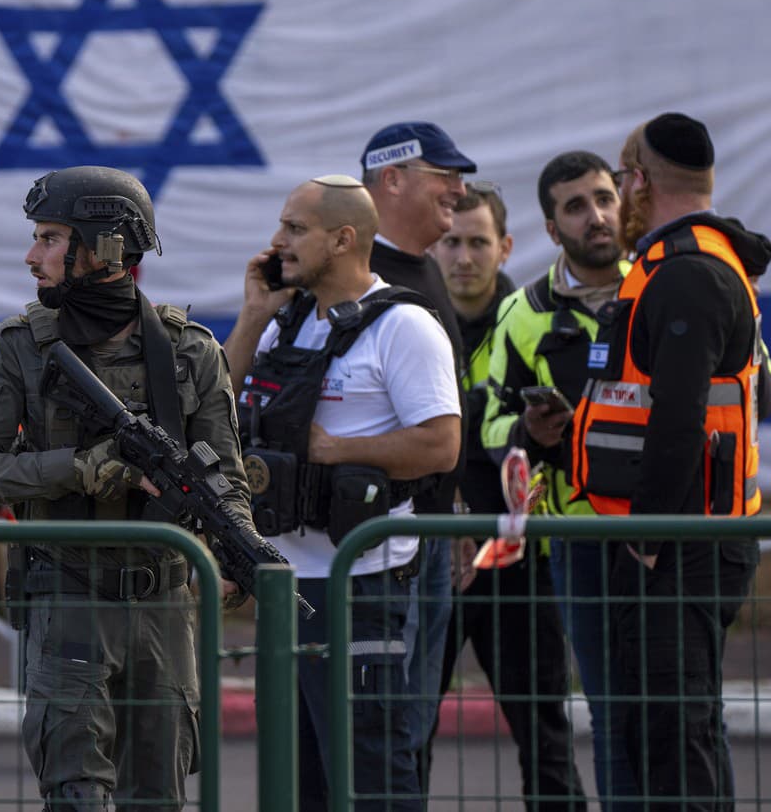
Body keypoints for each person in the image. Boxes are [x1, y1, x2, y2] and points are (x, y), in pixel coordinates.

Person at [0, 165, 253, 812]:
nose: (33, 256)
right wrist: (80, 468)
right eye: (38, 238)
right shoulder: (23, 347)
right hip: (67, 593)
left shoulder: (190, 351)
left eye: (51, 238)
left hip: (164, 602)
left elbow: (227, 479)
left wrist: (234, 555)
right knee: (77, 794)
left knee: (159, 797)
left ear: (105, 246)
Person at [225, 174, 460, 812]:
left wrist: (337, 449)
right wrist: (252, 315)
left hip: (366, 584)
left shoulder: (405, 326)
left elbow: (441, 446)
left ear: (344, 238)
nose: (277, 242)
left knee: (369, 773)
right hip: (286, 584)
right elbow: (212, 409)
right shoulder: (284, 321)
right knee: (301, 779)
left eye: (295, 228)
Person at [569, 114, 771, 810]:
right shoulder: (687, 264)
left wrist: (648, 535)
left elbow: (681, 417)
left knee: (673, 735)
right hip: (683, 536)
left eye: (623, 179)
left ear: (639, 181)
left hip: (682, 544)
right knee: (668, 730)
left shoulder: (688, 273)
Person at [482, 151, 637, 806]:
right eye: (576, 205)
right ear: (552, 228)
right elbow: (491, 424)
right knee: (611, 715)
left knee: (688, 710)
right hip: (582, 543)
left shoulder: (666, 285)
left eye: (604, 198)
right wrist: (527, 436)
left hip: (683, 529)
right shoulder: (522, 312)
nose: (597, 216)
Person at [432, 185, 588, 809]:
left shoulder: (532, 322)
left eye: (478, 242)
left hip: (524, 561)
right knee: (407, 729)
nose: (464, 256)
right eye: (451, 241)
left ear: (506, 247)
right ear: (434, 245)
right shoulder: (408, 318)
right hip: (435, 556)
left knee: (545, 733)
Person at [359, 121, 473, 782]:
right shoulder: (358, 276)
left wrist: (451, 507)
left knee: (416, 720)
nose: (459, 189)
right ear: (393, 178)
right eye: (445, 174)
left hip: (430, 529)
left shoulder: (422, 268)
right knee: (389, 725)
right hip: (384, 540)